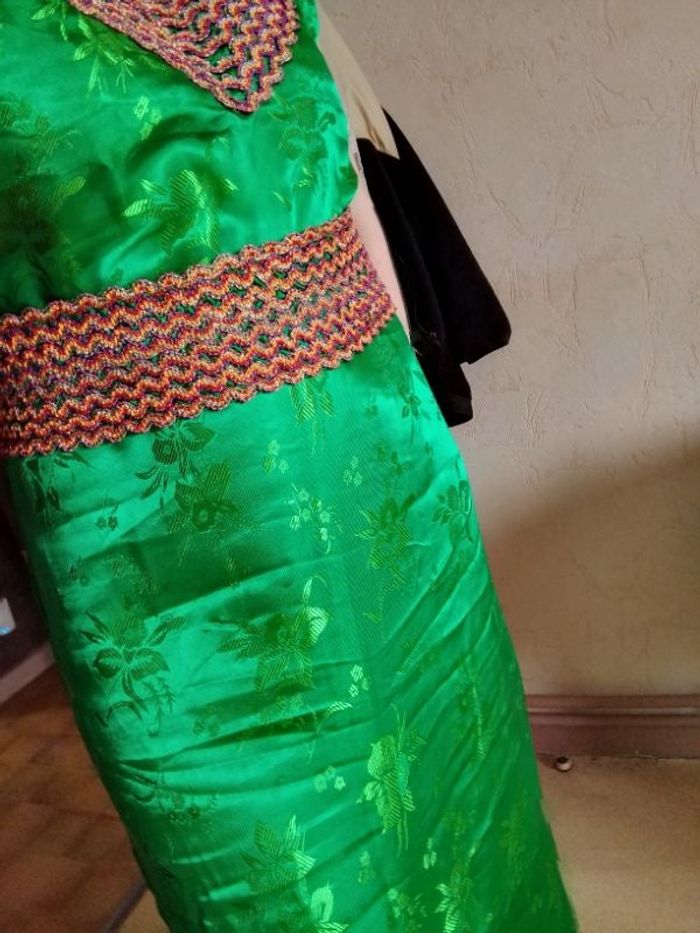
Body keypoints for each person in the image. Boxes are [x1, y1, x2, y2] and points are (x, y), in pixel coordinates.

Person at [0, 2, 580, 930]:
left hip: (399, 504)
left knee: (476, 819)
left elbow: (352, 202)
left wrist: (421, 417)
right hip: (169, 587)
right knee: (279, 890)